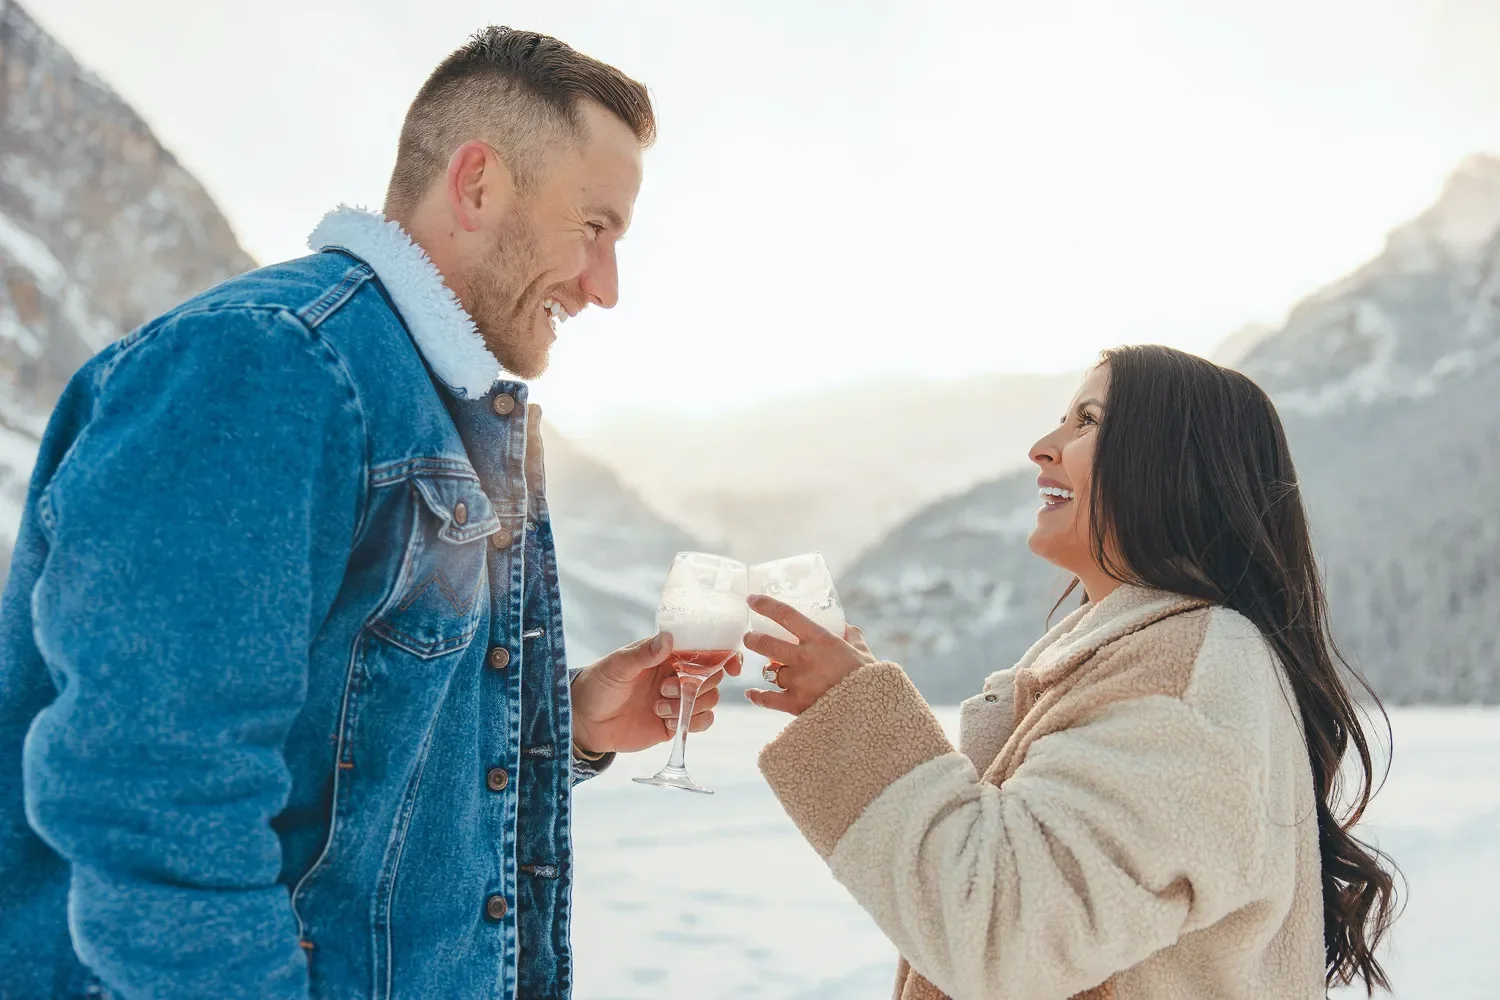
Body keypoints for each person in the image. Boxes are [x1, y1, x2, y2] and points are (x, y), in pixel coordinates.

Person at [0, 27, 736, 1000]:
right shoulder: (270, 368)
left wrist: (578, 720)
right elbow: (152, 800)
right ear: (476, 185)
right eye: (593, 228)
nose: (606, 286)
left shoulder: (453, 410)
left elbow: (360, 767)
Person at [745, 345, 1399, 999]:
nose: (1042, 446)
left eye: (1087, 420)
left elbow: (1005, 936)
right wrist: (852, 701)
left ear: (1171, 465)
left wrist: (858, 713)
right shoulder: (1149, 660)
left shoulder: (1188, 674)